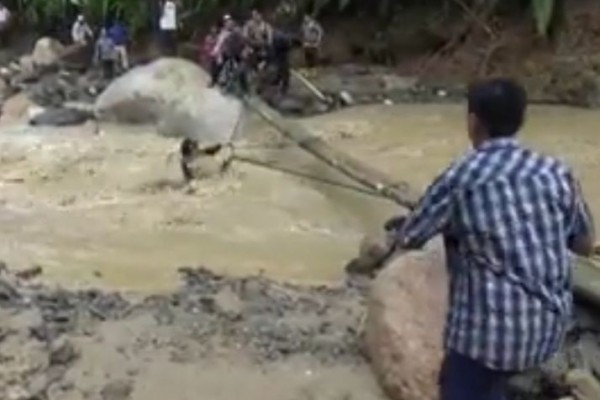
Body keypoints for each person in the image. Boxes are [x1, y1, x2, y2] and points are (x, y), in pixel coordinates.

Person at [383, 78, 595, 400]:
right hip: (548, 331)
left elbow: (411, 237)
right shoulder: (555, 171)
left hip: (488, 339)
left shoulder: (462, 174)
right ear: (521, 120)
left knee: (459, 382)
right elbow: (583, 243)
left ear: (472, 123)